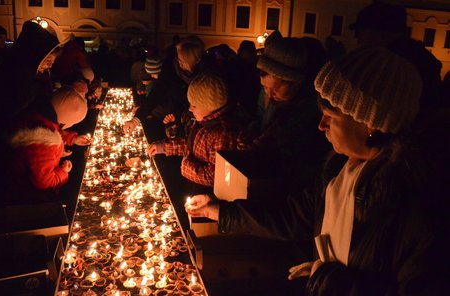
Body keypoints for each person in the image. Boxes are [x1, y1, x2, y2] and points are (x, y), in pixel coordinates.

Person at [186, 46, 450, 295]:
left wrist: (327, 277)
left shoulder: (415, 203)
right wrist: (219, 211)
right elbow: (292, 216)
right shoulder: (338, 171)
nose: (320, 125)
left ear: (371, 122)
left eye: (331, 116)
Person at [239, 37, 331, 194]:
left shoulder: (315, 110)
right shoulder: (268, 94)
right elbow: (260, 117)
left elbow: (310, 162)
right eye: (264, 87)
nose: (268, 94)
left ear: (296, 82)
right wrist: (253, 131)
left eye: (275, 88)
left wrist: (277, 145)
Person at [147, 72, 240, 190]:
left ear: (209, 106)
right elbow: (192, 146)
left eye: (194, 106)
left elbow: (216, 177)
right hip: (194, 187)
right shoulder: (204, 123)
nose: (190, 109)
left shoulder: (222, 134)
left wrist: (186, 167)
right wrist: (164, 147)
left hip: (206, 196)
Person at [350, 1, 442, 111]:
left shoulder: (392, 65)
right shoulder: (418, 58)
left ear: (383, 35)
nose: (359, 40)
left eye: (361, 33)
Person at [6, 86, 91, 205]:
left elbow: (52, 130)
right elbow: (44, 183)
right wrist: (63, 172)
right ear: (65, 121)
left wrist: (72, 138)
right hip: (28, 199)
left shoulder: (36, 115)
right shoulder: (44, 144)